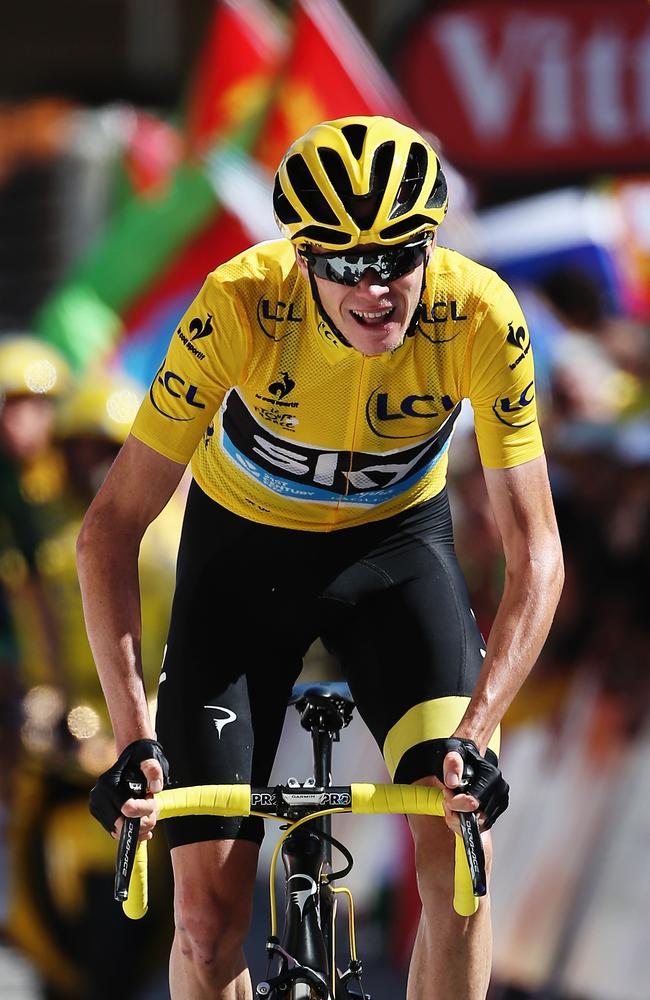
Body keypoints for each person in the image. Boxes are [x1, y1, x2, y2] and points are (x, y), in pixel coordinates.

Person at [79, 116, 564, 1000]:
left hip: (395, 558)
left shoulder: (481, 315)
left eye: (398, 257)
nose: (374, 287)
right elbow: (108, 529)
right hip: (242, 568)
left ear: (434, 244)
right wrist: (131, 734)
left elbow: (538, 551)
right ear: (302, 259)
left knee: (461, 859)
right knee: (205, 920)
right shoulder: (240, 303)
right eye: (343, 262)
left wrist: (478, 731)